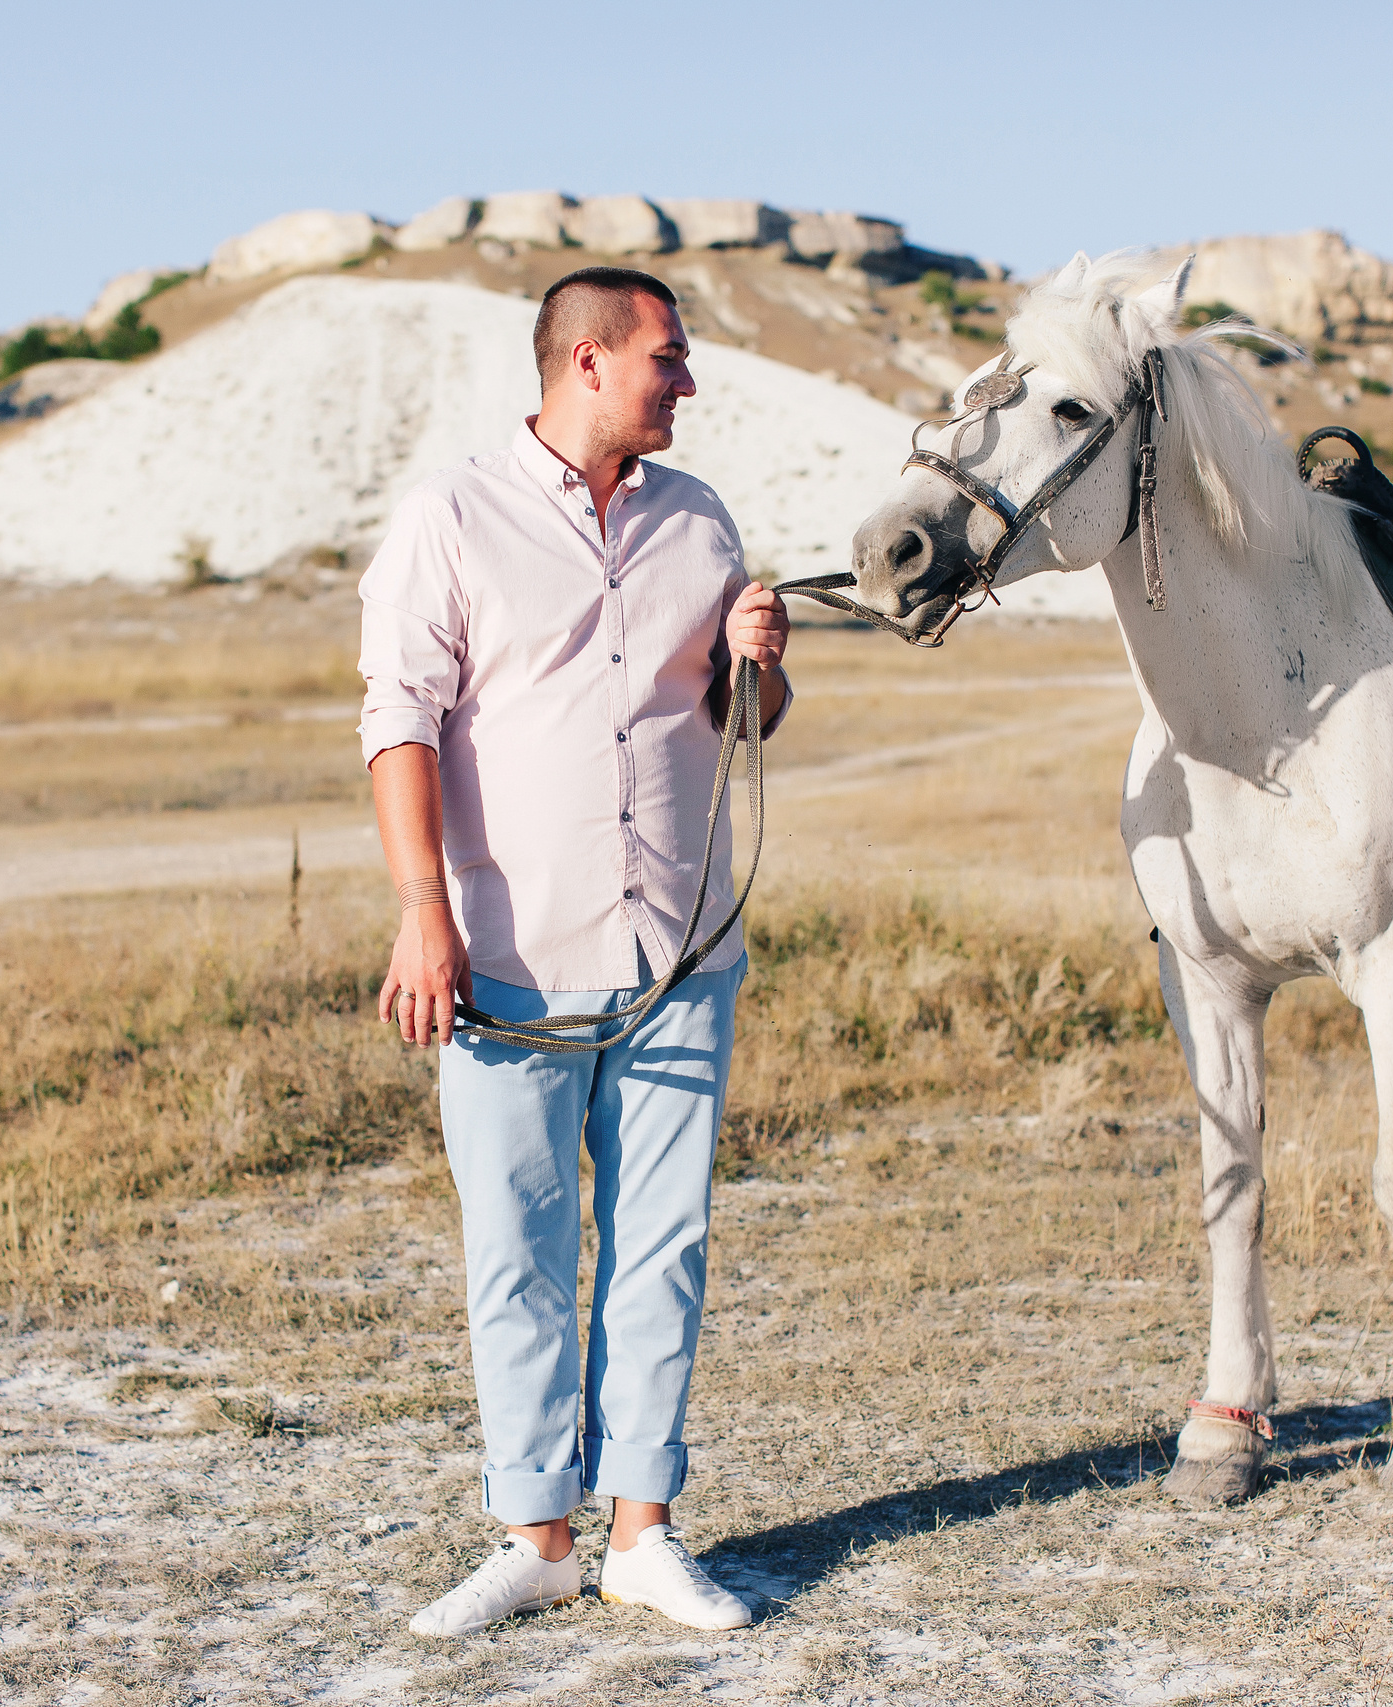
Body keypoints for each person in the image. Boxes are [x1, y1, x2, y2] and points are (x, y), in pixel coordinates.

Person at [356, 266, 792, 1638]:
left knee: (662, 1246)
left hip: (678, 949)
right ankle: (536, 1535)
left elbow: (747, 720)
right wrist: (425, 912)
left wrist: (760, 660)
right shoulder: (450, 517)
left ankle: (642, 1533)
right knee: (521, 1252)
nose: (690, 380)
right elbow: (399, 725)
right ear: (588, 361)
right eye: (670, 356)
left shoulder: (699, 519)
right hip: (506, 958)